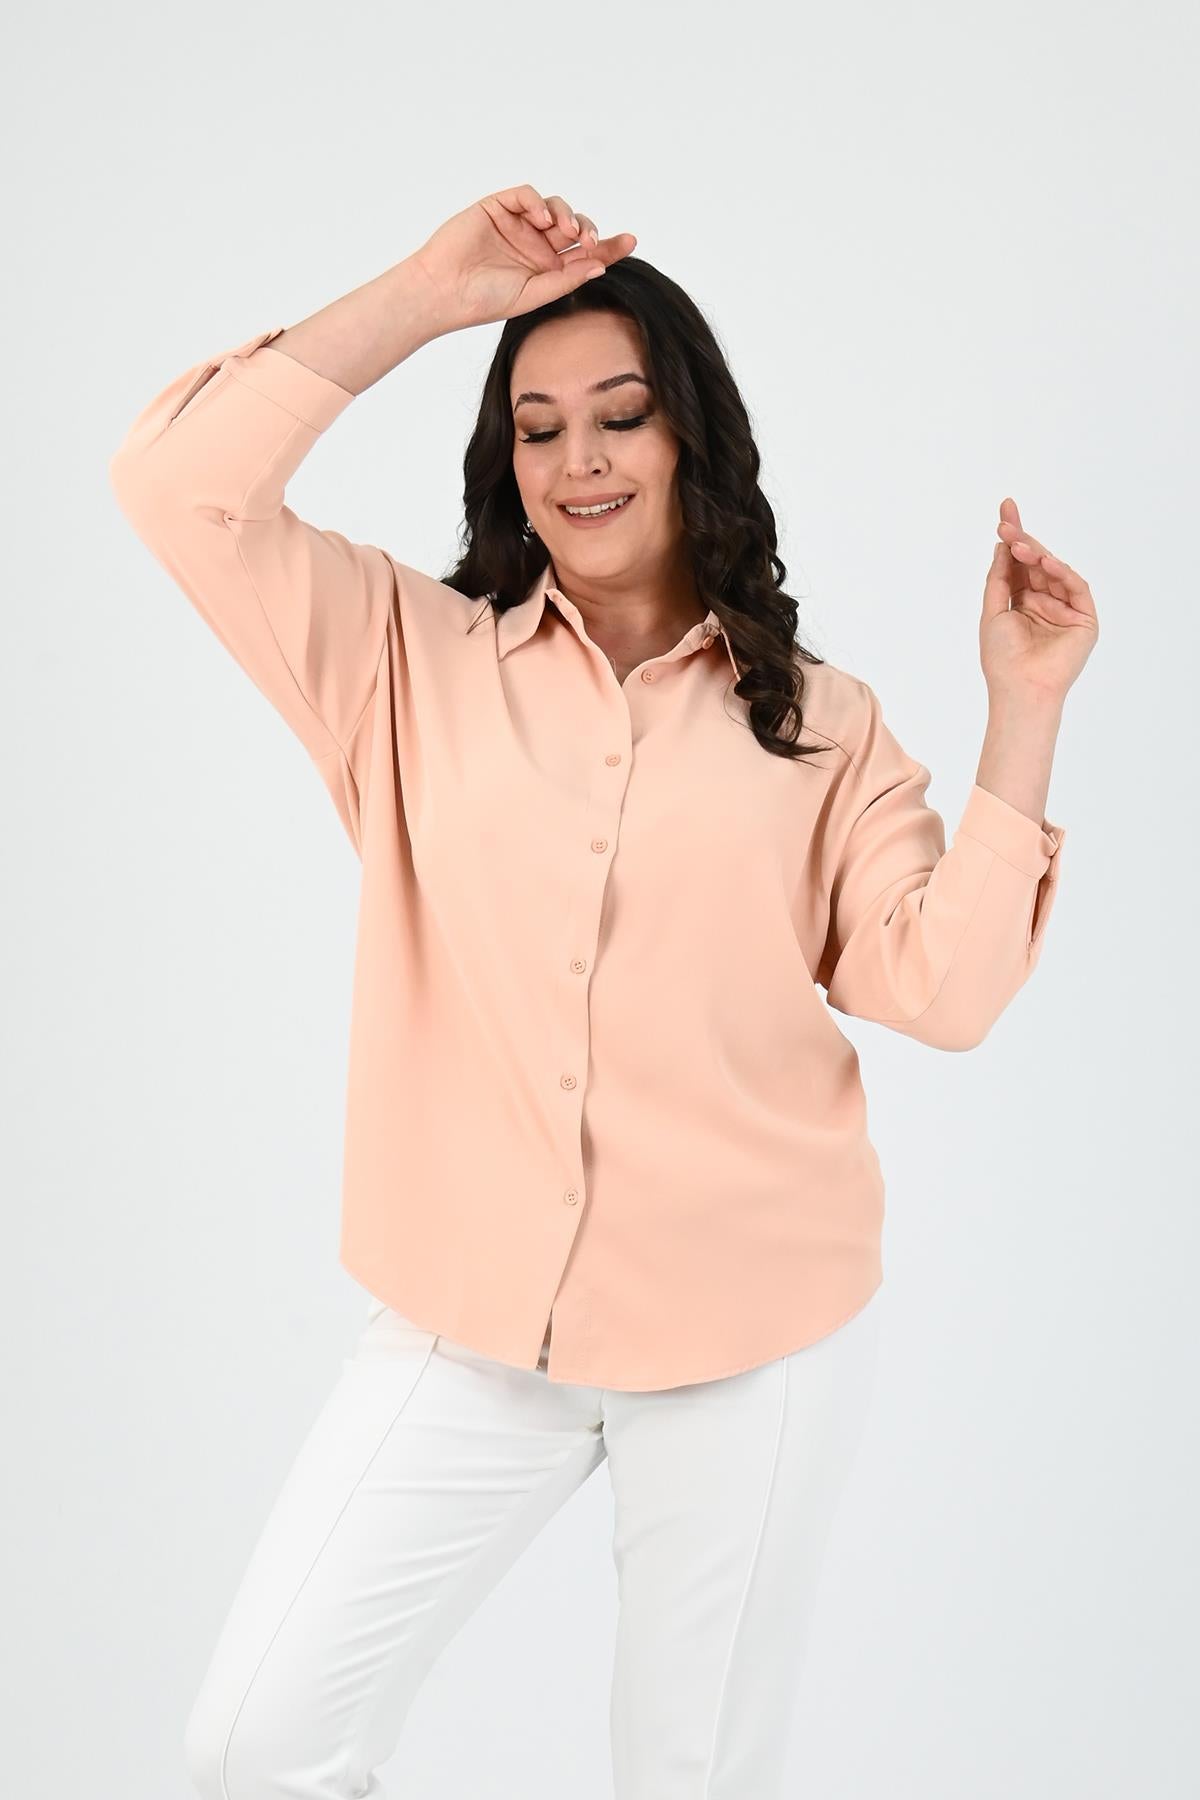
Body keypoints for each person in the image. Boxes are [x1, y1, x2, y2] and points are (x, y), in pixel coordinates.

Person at [108, 184, 1097, 1799]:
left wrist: (1025, 712)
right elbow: (176, 486)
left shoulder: (824, 727)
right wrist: (431, 293)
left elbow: (947, 990)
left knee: (687, 1777)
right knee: (254, 1741)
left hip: (751, 1340)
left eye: (621, 416)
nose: (580, 460)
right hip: (469, 1316)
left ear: (691, 435)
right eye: (539, 426)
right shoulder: (404, 662)